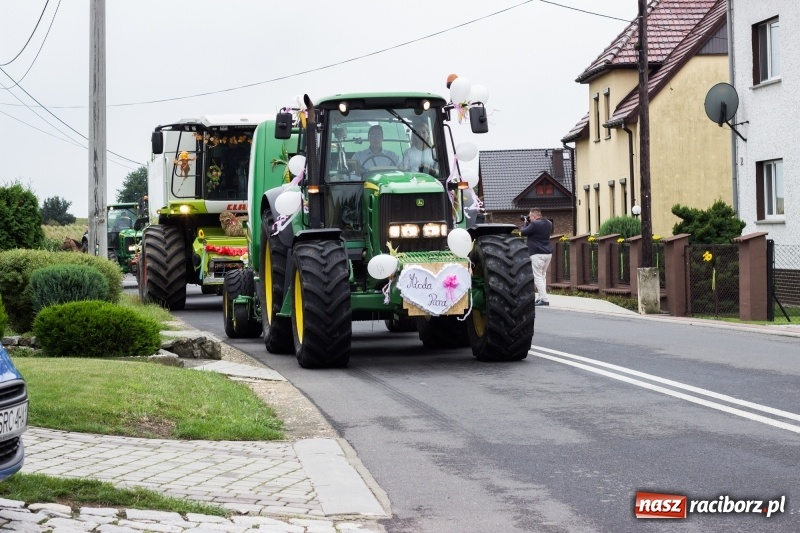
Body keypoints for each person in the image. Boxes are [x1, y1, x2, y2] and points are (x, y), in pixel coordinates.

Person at [520, 208, 553, 306]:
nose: (529, 218)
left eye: (530, 216)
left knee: (537, 276)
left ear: (534, 216)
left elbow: (523, 232)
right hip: (548, 253)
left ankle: (545, 299)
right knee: (543, 275)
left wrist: (526, 222)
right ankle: (541, 297)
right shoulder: (549, 223)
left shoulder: (534, 224)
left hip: (537, 253)